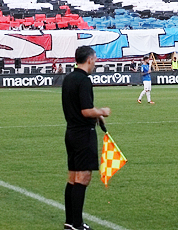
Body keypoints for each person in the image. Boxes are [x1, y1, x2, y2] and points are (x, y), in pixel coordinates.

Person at [62, 46, 110, 230]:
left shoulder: (68, 78)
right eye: (95, 59)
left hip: (71, 133)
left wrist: (95, 114)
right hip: (83, 134)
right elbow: (86, 110)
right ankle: (77, 224)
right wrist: (102, 112)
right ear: (89, 59)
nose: (96, 62)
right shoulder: (84, 81)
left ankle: (69, 221)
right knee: (83, 178)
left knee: (73, 177)